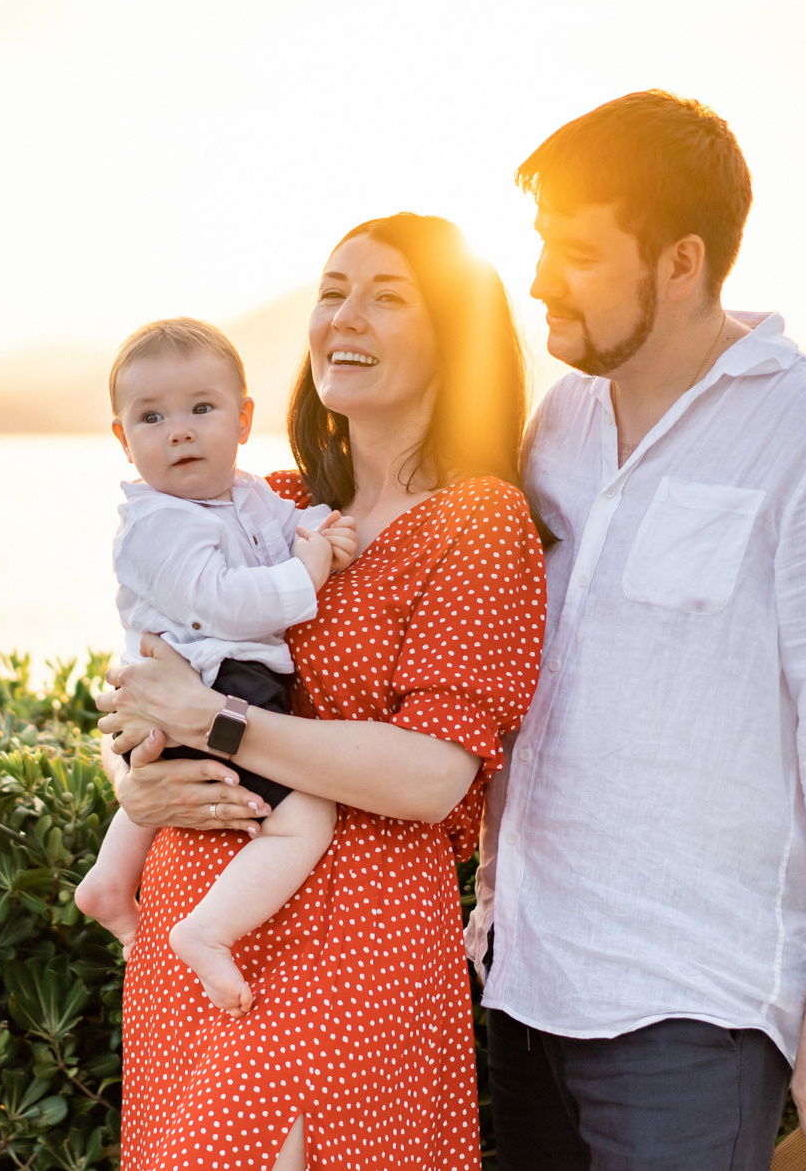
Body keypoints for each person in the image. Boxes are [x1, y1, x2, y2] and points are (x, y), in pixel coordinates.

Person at [467, 91, 806, 1169]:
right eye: (541, 244)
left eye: (578, 253)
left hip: (692, 1015)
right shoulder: (560, 426)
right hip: (523, 988)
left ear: (678, 262)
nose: (540, 279)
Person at [96, 214, 547, 1171]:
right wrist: (134, 777)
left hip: (357, 933)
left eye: (389, 297)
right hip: (197, 914)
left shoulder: (479, 520)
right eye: (334, 290)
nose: (347, 315)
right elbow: (153, 671)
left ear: (453, 340)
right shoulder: (270, 499)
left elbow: (430, 776)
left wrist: (216, 722)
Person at [73, 317, 357, 1017]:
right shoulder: (156, 524)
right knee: (308, 813)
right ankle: (209, 929)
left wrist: (315, 527)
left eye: (201, 408)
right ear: (122, 437)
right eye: (152, 416)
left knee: (159, 764)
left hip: (193, 687)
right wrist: (311, 566)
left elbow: (287, 518)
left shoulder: (245, 493)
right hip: (216, 678)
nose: (179, 430)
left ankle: (110, 881)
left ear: (242, 417)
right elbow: (227, 602)